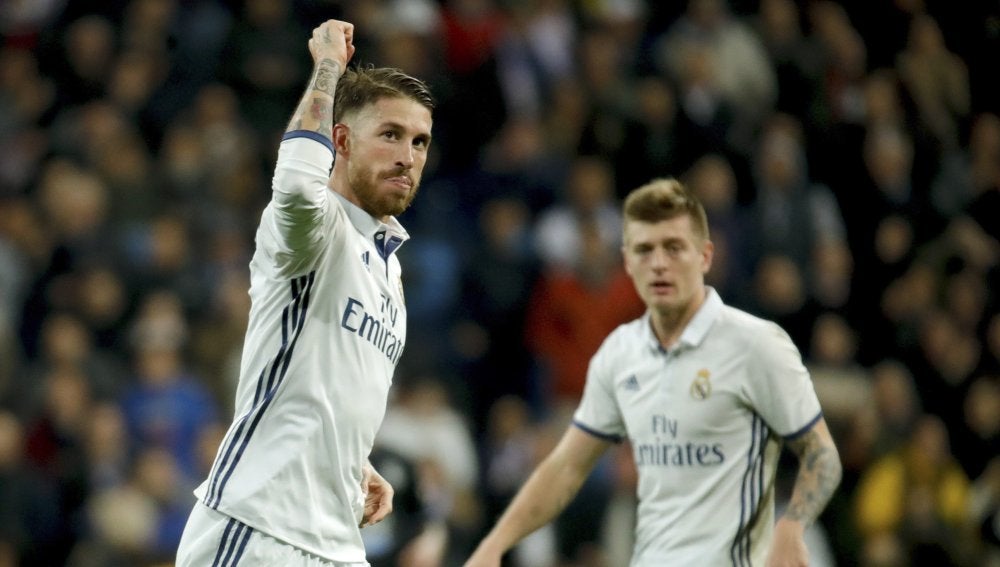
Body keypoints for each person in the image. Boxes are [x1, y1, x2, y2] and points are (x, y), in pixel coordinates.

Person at [465, 178, 843, 567]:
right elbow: (567, 466)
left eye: (674, 248)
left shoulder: (756, 344)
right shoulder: (619, 352)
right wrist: (496, 543)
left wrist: (792, 525)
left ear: (705, 257)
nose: (659, 264)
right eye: (645, 250)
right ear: (628, 263)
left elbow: (822, 453)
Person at [175, 19, 435, 566]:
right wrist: (328, 69)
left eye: (419, 142)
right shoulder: (315, 231)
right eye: (390, 134)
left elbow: (321, 388)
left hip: (336, 542)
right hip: (258, 529)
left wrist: (352, 464)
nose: (407, 156)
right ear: (340, 140)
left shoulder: (388, 268)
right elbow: (296, 184)